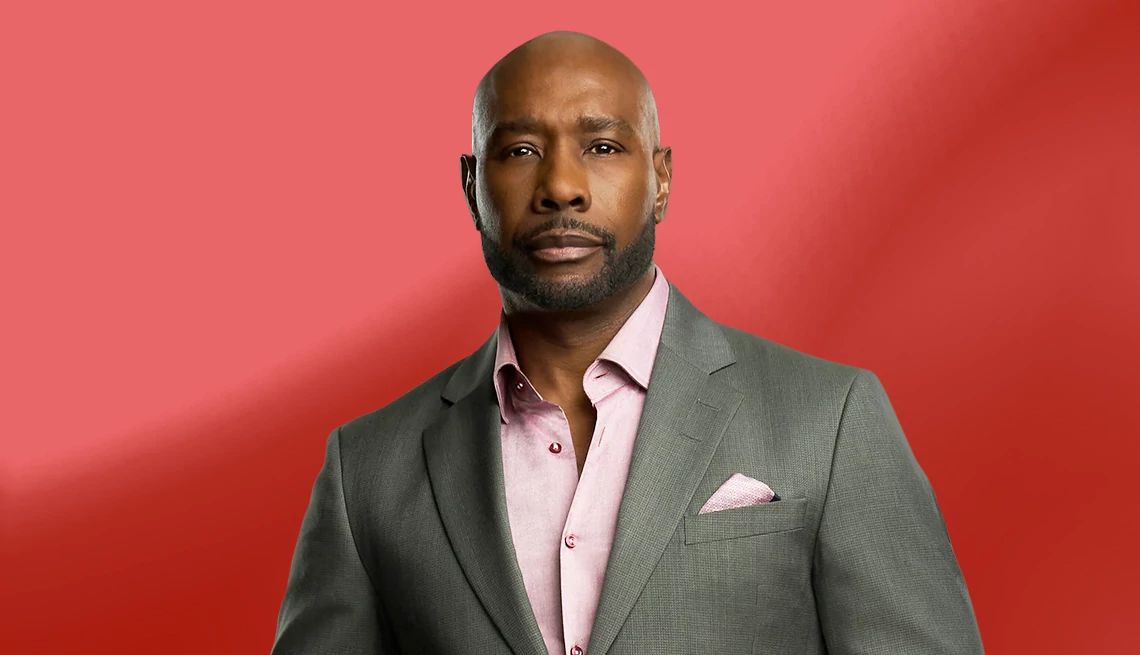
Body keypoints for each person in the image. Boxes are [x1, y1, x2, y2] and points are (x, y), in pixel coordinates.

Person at [271, 30, 983, 655]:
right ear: (470, 187)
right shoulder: (367, 470)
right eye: (520, 150)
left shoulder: (830, 418)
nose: (561, 186)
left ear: (661, 179)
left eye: (602, 146)